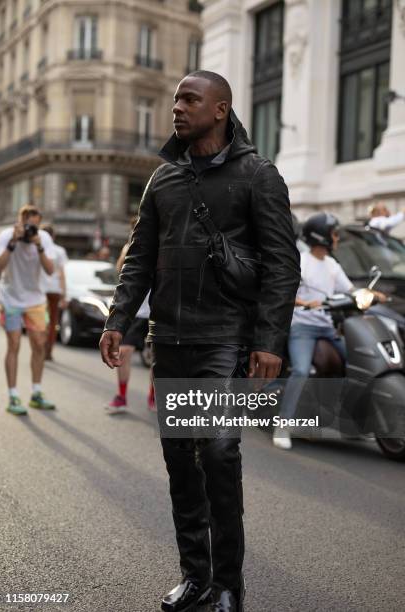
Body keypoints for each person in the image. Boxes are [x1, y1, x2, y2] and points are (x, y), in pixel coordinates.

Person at [100, 71, 300, 612]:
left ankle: (229, 583)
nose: (177, 108)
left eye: (190, 99)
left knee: (216, 448)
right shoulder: (161, 179)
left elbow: (282, 265)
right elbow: (139, 257)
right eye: (175, 100)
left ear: (220, 110)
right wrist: (119, 318)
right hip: (171, 340)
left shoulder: (259, 175)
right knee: (180, 462)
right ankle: (195, 576)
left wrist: (270, 340)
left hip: (226, 339)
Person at [273, 212, 385, 451]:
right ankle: (283, 424)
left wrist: (371, 295)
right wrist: (304, 303)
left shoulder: (332, 265)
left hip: (327, 327)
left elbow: (350, 290)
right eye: (334, 233)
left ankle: (354, 423)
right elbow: (282, 293)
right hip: (302, 327)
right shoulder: (300, 261)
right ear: (321, 236)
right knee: (301, 370)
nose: (337, 238)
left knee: (359, 363)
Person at [0, 204, 56, 415]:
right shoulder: (6, 235)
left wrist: (39, 246)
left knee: (39, 345)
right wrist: (13, 242)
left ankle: (36, 393)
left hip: (36, 300)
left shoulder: (44, 239)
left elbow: (50, 270)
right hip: (10, 298)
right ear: (21, 222)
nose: (32, 229)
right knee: (13, 343)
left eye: (36, 225)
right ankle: (13, 396)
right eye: (28, 225)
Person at [105, 226, 153, 415]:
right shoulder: (133, 247)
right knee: (124, 351)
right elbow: (121, 271)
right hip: (136, 311)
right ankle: (122, 396)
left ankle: (154, 396)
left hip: (158, 310)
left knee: (158, 359)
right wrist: (129, 249)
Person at [40, 224, 68, 361]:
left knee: (41, 320)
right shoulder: (59, 250)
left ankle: (40, 347)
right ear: (53, 236)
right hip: (55, 290)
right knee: (52, 322)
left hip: (40, 290)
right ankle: (48, 350)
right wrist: (64, 294)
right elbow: (62, 274)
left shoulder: (38, 249)